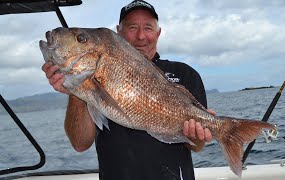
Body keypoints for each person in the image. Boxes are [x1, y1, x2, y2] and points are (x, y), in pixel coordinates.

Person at [42, 0, 215, 179]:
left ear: (158, 33)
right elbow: (80, 144)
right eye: (132, 27)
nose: (141, 36)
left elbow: (197, 146)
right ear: (119, 32)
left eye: (148, 28)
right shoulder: (95, 76)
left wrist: (197, 135)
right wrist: (76, 91)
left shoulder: (185, 74)